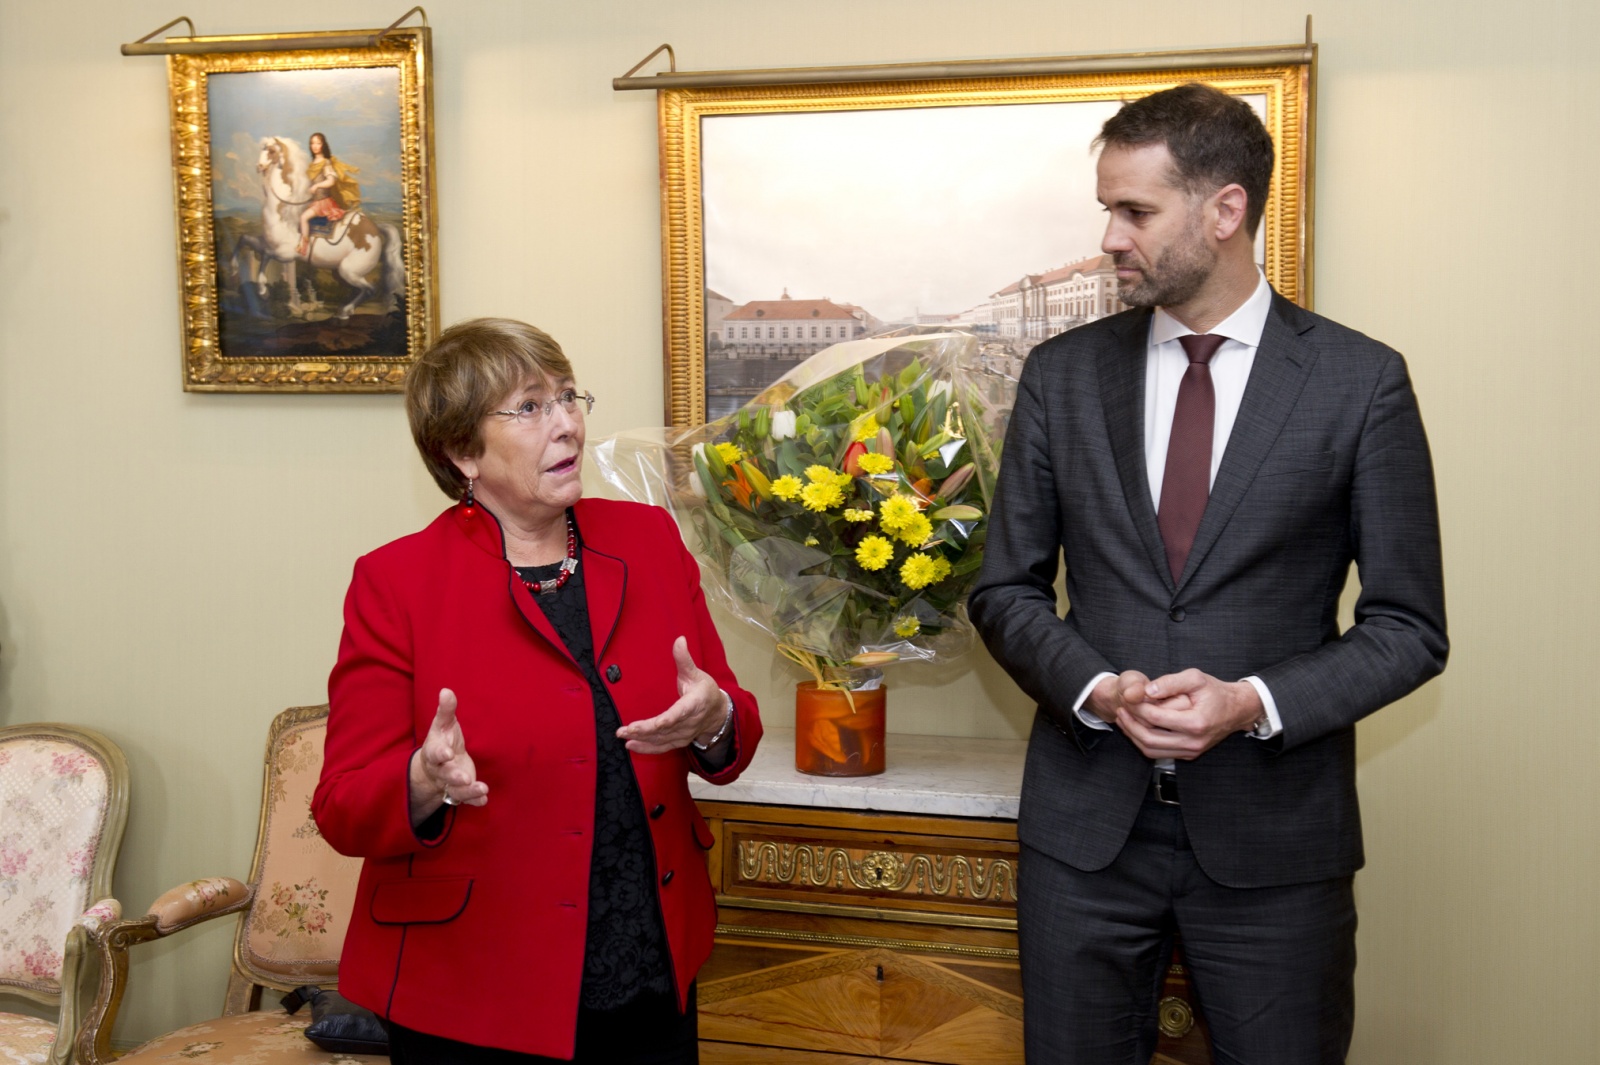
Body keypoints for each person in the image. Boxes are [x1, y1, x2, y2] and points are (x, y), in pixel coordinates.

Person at [969, 83, 1447, 1064]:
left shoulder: (1360, 384)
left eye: (1133, 210)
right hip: (1082, 842)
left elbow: (1408, 627)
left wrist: (1251, 702)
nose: (1108, 236)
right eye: (1106, 207)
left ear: (1224, 210)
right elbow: (1005, 590)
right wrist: (1095, 688)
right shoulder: (1060, 376)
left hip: (1277, 851)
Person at [312, 317, 762, 1063]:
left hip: (648, 964)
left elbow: (731, 724)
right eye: (530, 407)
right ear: (462, 451)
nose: (568, 424)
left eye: (567, 396)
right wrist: (420, 780)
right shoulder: (396, 582)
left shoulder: (649, 541)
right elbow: (343, 804)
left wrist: (714, 717)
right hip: (472, 989)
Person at [297, 131, 361, 259]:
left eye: (318, 143)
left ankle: (303, 244)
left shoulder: (326, 163)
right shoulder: (313, 163)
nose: (315, 146)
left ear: (323, 145)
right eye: (312, 143)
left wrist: (317, 186)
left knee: (303, 218)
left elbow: (331, 181)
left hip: (323, 202)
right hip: (315, 201)